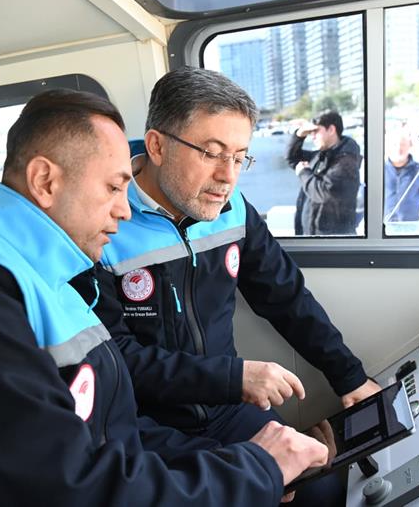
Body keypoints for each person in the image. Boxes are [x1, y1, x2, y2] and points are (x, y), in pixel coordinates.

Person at [0, 89, 329, 506]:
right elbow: (64, 491)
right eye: (114, 186)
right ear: (45, 181)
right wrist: (253, 470)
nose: (125, 210)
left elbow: (113, 432)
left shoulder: (52, 279)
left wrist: (237, 461)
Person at [72, 67, 380, 503]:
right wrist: (235, 378)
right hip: (149, 425)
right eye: (212, 153)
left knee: (322, 488)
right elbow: (117, 359)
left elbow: (286, 296)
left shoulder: (232, 210)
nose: (228, 177)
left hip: (227, 409)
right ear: (157, 146)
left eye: (239, 157)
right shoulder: (104, 226)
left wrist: (349, 377)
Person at [286, 110, 362, 235]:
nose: (312, 136)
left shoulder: (346, 162)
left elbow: (324, 192)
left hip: (333, 241)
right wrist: (300, 135)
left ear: (331, 130)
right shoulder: (322, 155)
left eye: (316, 131)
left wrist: (304, 172)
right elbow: (292, 158)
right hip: (315, 237)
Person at [384, 126, 419, 222]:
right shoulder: (381, 170)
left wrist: (413, 203)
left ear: (409, 146)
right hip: (384, 226)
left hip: (410, 226)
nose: (399, 149)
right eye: (395, 144)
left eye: (403, 144)